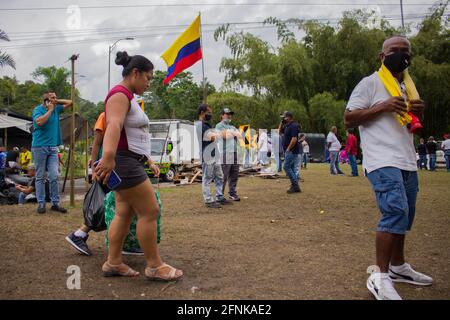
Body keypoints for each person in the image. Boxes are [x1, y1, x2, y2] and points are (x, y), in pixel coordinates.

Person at [345, 36, 432, 300]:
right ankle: (379, 277)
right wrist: (383, 105)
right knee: (395, 210)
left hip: (407, 158)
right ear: (382, 57)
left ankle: (398, 267)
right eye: (394, 51)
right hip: (382, 159)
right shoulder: (370, 83)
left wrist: (419, 112)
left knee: (406, 215)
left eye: (406, 51)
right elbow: (349, 118)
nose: (401, 55)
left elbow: (409, 125)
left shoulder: (407, 86)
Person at [94, 51, 182, 281]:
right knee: (150, 211)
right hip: (122, 161)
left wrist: (147, 160)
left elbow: (133, 134)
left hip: (127, 160)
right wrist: (109, 157)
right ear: (135, 73)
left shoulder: (128, 96)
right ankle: (154, 266)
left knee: (124, 212)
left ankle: (113, 262)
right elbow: (113, 126)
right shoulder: (119, 95)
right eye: (148, 77)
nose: (149, 82)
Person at [32, 91, 72, 214]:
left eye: (55, 97)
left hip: (53, 148)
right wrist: (49, 110)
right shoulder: (38, 110)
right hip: (39, 147)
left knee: (54, 176)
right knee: (40, 177)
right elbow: (39, 122)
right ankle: (41, 204)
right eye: (52, 98)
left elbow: (70, 102)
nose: (55, 99)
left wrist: (57, 101)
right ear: (46, 101)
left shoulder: (56, 108)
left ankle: (55, 203)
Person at [198, 104, 230, 209]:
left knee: (219, 176)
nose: (210, 115)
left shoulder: (207, 125)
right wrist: (220, 134)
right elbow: (211, 138)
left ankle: (219, 196)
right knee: (207, 178)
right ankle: (208, 200)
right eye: (208, 112)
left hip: (214, 154)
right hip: (207, 155)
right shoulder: (200, 125)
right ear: (202, 113)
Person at [216, 107, 242, 201]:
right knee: (224, 175)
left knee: (234, 174)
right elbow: (225, 136)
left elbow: (239, 135)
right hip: (225, 153)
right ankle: (220, 195)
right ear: (222, 115)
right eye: (227, 114)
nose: (229, 116)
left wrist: (231, 132)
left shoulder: (232, 126)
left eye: (230, 114)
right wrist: (232, 133)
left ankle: (232, 193)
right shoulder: (218, 126)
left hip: (235, 152)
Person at [281, 111, 301, 193]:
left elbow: (294, 139)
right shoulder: (287, 126)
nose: (284, 118)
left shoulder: (293, 126)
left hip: (291, 150)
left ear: (289, 117)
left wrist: (288, 149)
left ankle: (295, 185)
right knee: (291, 168)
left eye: (285, 117)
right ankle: (295, 186)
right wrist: (281, 122)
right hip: (289, 150)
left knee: (286, 167)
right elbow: (279, 131)